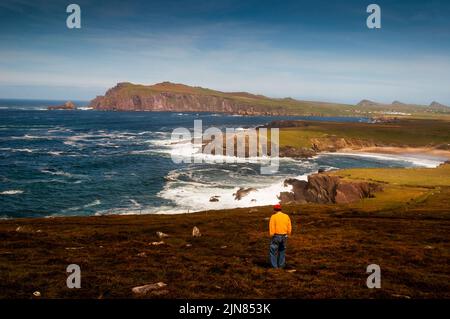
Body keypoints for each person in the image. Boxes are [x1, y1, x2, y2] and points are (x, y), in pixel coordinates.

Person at [269, 203, 292, 268]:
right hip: (284, 236)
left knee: (273, 251)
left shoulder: (273, 217)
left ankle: (274, 267)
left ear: (275, 209)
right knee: (282, 251)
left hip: (276, 236)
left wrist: (272, 234)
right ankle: (281, 266)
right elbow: (289, 225)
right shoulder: (286, 216)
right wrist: (288, 233)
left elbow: (272, 226)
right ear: (280, 209)